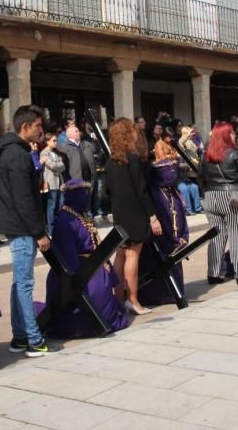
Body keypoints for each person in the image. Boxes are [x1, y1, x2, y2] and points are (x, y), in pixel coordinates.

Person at [0, 104, 50, 357]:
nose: (42, 131)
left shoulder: (16, 152)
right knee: (25, 284)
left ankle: (19, 337)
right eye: (38, 126)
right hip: (22, 227)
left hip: (18, 225)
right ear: (25, 126)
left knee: (19, 282)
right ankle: (33, 339)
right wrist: (39, 232)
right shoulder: (16, 155)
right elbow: (23, 198)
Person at [39, 180, 129, 337]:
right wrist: (79, 280)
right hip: (80, 274)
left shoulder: (82, 216)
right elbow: (67, 259)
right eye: (82, 193)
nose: (86, 197)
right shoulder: (65, 221)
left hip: (94, 268)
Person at [104, 118, 162, 312]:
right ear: (127, 134)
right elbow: (141, 190)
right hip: (135, 213)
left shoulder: (110, 162)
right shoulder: (133, 159)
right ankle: (133, 300)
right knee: (132, 256)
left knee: (120, 255)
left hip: (120, 213)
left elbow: (107, 191)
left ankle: (118, 299)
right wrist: (153, 216)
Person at [200, 122, 238, 285]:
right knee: (236, 234)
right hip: (232, 196)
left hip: (211, 195)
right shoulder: (236, 154)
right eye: (232, 133)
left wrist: (206, 193)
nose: (234, 135)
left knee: (216, 236)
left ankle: (213, 273)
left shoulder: (206, 154)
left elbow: (200, 177)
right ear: (225, 135)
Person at [137, 140, 190, 306]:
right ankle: (158, 293)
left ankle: (169, 292)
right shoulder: (155, 187)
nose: (170, 171)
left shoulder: (171, 190)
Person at [39, 132, 66, 234]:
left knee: (61, 205)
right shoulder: (44, 153)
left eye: (56, 140)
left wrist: (58, 164)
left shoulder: (55, 153)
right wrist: (58, 163)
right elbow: (53, 166)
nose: (56, 142)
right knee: (52, 206)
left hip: (59, 182)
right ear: (47, 141)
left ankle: (59, 226)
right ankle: (51, 229)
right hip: (51, 183)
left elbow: (63, 166)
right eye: (53, 141)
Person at [177, 126, 203, 215]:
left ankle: (197, 208)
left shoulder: (190, 141)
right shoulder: (182, 143)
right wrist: (187, 135)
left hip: (190, 170)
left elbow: (198, 149)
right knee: (184, 189)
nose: (192, 133)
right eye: (190, 132)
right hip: (181, 176)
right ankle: (188, 210)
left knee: (195, 187)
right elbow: (180, 143)